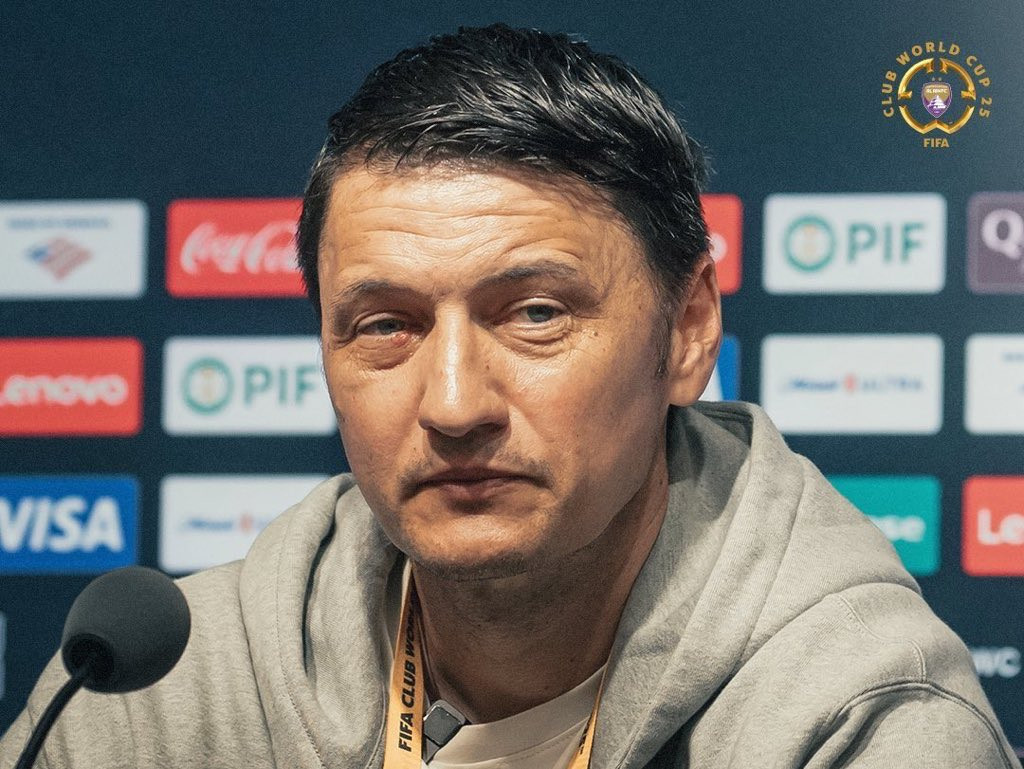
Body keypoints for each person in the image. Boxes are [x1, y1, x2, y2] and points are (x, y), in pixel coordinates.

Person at [2, 22, 1020, 769]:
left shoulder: (860, 721)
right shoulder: (159, 692)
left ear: (686, 332)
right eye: (386, 325)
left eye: (534, 313)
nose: (453, 404)